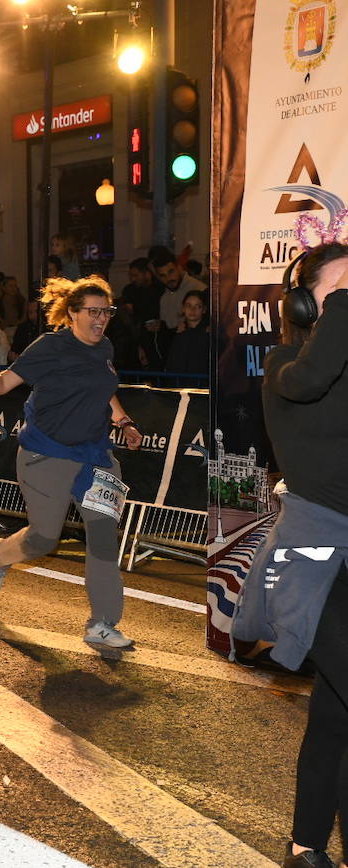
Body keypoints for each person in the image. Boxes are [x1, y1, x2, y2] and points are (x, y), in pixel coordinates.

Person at [229, 243, 348, 868]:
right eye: (346, 286)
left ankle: (305, 847)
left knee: (336, 708)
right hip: (311, 552)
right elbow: (313, 378)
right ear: (307, 303)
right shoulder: (284, 365)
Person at [0, 276, 144, 649]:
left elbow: (105, 390)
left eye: (107, 311)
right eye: (93, 311)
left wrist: (124, 421)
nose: (101, 319)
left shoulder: (104, 346)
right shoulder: (49, 347)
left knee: (104, 536)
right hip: (46, 454)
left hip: (95, 458)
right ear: (72, 313)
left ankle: (102, 623)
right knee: (43, 539)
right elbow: (5, 382)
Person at [151, 245, 207, 336]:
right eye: (162, 275)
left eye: (171, 272)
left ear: (179, 267)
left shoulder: (199, 289)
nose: (168, 278)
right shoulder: (164, 297)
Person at [163, 289, 209, 387]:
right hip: (179, 388)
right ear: (183, 308)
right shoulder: (177, 334)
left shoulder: (210, 334)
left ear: (204, 309)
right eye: (188, 306)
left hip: (203, 388)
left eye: (198, 306)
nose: (193, 310)